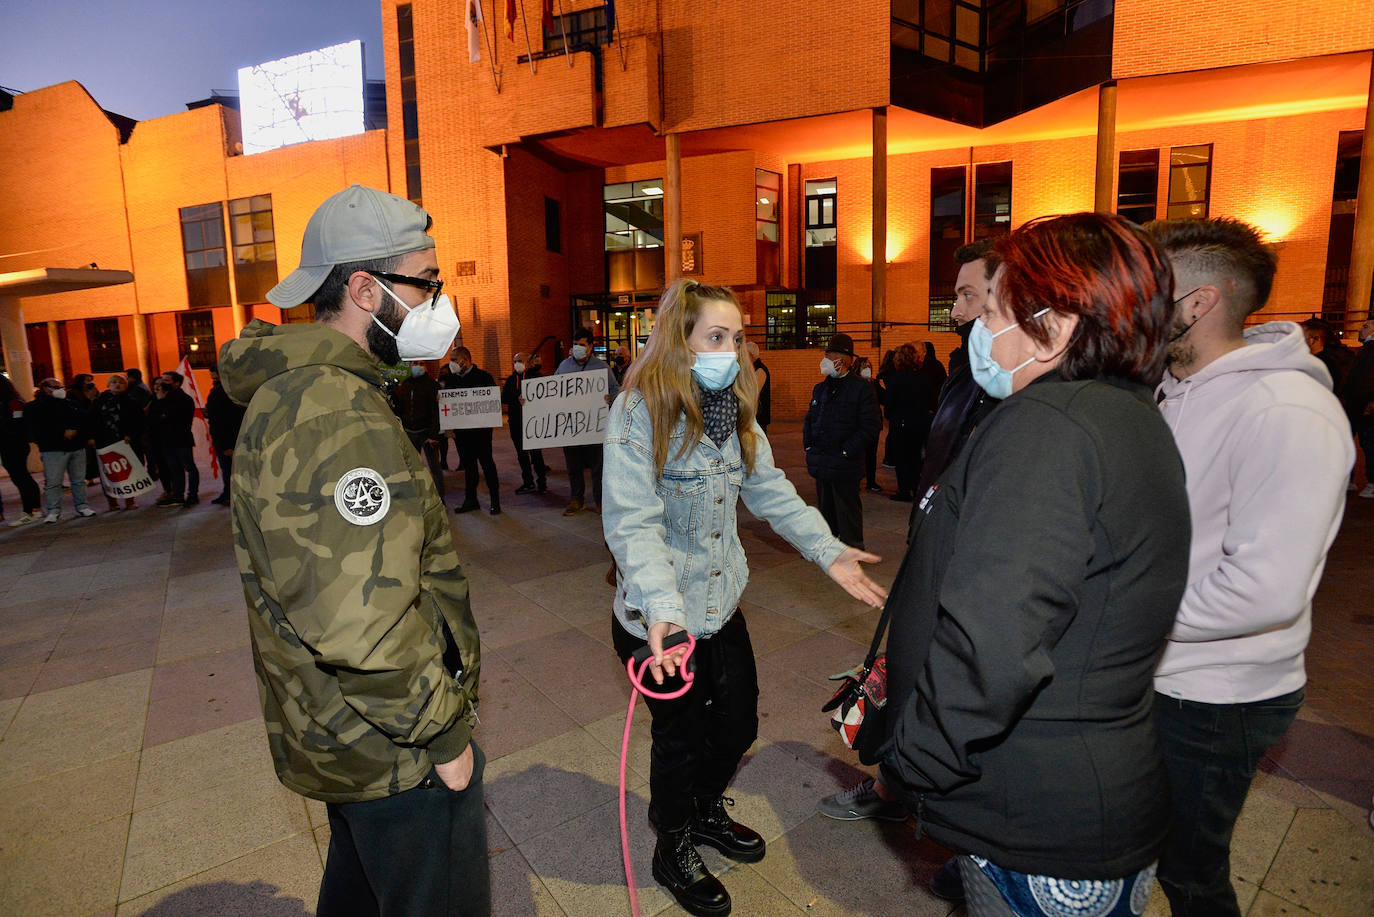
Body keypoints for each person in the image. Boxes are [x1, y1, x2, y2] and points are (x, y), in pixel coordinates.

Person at [878, 213, 1191, 916]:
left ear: (1060, 320)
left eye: (993, 310)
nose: (979, 330)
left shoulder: (1048, 426)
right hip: (1090, 796)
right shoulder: (1124, 414)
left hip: (1039, 812)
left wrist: (916, 758)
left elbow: (995, 635)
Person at [219, 184, 486, 917]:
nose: (438, 300)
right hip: (390, 750)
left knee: (363, 894)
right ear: (366, 289)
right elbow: (360, 622)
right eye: (426, 282)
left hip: (352, 737)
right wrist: (443, 732)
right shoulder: (330, 408)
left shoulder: (321, 392)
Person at [602, 278, 888, 917]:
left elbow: (769, 489)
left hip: (720, 605)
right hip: (660, 617)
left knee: (736, 723)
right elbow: (631, 520)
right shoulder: (639, 409)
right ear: (680, 340)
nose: (730, 349)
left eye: (735, 337)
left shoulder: (732, 405)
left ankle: (704, 809)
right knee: (679, 738)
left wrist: (828, 549)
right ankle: (671, 842)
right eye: (716, 337)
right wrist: (665, 613)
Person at [1145, 217, 1354, 917]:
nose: (1132, 301)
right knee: (1144, 847)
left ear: (1198, 302)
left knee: (1190, 872)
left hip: (1216, 697)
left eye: (1151, 286)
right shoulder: (1171, 391)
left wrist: (1124, 623)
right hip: (1165, 673)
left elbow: (1263, 589)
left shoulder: (1287, 409)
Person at [818, 240, 1002, 903]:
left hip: (971, 577)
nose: (954, 308)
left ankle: (959, 831)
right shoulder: (966, 374)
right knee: (906, 673)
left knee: (954, 692)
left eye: (966, 294)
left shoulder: (1017, 392)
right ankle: (898, 791)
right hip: (933, 560)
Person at [801, 332, 880, 549]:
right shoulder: (821, 388)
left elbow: (871, 426)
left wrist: (847, 451)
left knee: (847, 510)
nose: (825, 359)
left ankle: (853, 549)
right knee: (825, 508)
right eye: (826, 354)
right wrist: (809, 445)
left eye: (830, 354)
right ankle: (829, 547)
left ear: (843, 360)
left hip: (845, 463)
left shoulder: (861, 388)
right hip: (822, 461)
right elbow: (810, 419)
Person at [556, 327, 619, 515]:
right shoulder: (563, 367)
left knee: (598, 467)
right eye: (575, 344)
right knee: (573, 466)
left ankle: (600, 501)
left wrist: (610, 399)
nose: (578, 348)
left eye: (582, 345)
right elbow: (553, 392)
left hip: (594, 427)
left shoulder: (602, 368)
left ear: (591, 347)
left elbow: (616, 389)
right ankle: (577, 499)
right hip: (571, 427)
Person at [27, 377, 98, 523]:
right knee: (53, 482)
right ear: (45, 388)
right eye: (55, 387)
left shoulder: (71, 404)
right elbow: (38, 428)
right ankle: (54, 511)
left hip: (76, 446)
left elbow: (83, 420)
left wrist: (76, 431)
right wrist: (61, 433)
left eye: (61, 387)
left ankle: (82, 506)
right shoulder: (34, 407)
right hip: (53, 449)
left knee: (78, 480)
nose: (59, 390)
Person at [446, 346, 501, 515]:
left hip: (481, 433)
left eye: (454, 359)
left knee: (487, 465)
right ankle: (471, 500)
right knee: (469, 468)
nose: (451, 363)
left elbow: (493, 403)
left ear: (465, 359)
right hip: (462, 434)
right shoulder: (451, 380)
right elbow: (448, 405)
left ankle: (495, 502)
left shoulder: (484, 377)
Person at [880, 344, 933, 503]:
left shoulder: (897, 378)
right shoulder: (923, 376)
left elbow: (889, 401)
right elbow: (930, 399)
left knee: (902, 458)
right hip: (920, 423)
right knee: (916, 457)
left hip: (901, 423)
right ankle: (916, 488)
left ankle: (904, 491)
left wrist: (889, 414)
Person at [392, 362, 446, 499]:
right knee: (411, 467)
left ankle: (440, 498)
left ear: (426, 366)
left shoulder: (432, 385)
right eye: (414, 363)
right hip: (410, 432)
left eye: (420, 363)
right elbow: (401, 408)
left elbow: (436, 411)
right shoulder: (406, 384)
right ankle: (416, 497)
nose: (417, 366)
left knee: (435, 468)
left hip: (427, 433)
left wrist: (434, 434)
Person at [92, 373, 145, 510]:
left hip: (125, 442)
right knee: (109, 473)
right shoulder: (99, 402)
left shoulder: (131, 401)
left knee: (128, 471)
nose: (117, 385)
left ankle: (130, 500)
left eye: (120, 382)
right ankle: (112, 502)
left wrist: (130, 434)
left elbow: (138, 421)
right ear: (108, 385)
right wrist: (92, 437)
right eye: (114, 382)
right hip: (105, 442)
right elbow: (92, 421)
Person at [502, 351, 548, 495]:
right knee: (522, 455)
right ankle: (528, 482)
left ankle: (542, 482)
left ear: (527, 362)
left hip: (532, 422)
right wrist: (517, 399)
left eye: (520, 361)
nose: (517, 364)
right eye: (515, 361)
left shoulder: (536, 378)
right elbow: (504, 398)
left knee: (536, 454)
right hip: (516, 422)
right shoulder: (511, 380)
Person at [151, 370, 198, 507]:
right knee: (174, 469)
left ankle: (192, 495)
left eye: (167, 380)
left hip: (181, 439)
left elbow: (172, 417)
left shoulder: (184, 399)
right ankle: (178, 495)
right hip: (166, 440)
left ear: (176, 383)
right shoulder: (162, 398)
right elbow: (156, 418)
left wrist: (162, 406)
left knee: (189, 468)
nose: (162, 383)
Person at [1, 374, 43, 525]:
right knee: (19, 476)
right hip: (10, 443)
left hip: (13, 443)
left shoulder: (13, 403)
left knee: (21, 476)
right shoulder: (11, 402)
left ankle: (31, 510)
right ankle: (32, 510)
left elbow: (16, 424)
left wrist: (8, 433)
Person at [1340, 316, 1374, 498]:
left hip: (1365, 407)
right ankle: (1349, 480)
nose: (1362, 330)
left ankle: (1372, 482)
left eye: (1366, 327)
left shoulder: (1370, 352)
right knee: (1348, 443)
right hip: (1354, 404)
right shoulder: (1364, 351)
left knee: (1368, 445)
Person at [204, 365, 247, 506]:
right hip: (232, 439)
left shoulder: (222, 393)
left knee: (231, 470)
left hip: (230, 439)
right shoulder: (231, 391)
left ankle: (232, 495)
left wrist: (225, 445)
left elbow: (220, 421)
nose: (212, 377)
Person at [746, 341, 771, 433]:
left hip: (758, 418)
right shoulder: (753, 369)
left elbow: (751, 392)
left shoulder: (760, 370)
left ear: (751, 355)